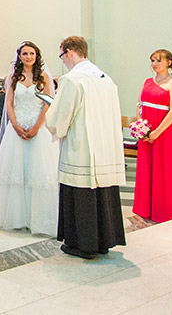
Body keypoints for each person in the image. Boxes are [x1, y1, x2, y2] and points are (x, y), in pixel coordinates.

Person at [45, 38, 125, 260]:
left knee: (81, 193)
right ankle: (103, 241)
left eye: (62, 57)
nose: (64, 62)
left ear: (69, 53)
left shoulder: (73, 80)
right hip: (105, 147)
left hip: (81, 149)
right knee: (102, 193)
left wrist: (51, 116)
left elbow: (59, 119)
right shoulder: (106, 79)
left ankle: (83, 245)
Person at [0, 42, 58, 236]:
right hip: (17, 128)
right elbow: (9, 104)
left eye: (32, 53)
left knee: (39, 172)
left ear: (37, 56)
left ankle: (38, 217)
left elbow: (48, 104)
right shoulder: (13, 77)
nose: (28, 57)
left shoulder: (43, 77)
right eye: (25, 53)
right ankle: (16, 216)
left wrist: (37, 126)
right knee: (15, 171)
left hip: (38, 127)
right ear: (19, 56)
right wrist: (16, 126)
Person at [132, 49, 172, 223]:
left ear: (169, 63)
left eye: (158, 60)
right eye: (152, 60)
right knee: (147, 167)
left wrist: (157, 132)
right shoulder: (146, 81)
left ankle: (165, 208)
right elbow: (140, 104)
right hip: (147, 131)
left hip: (165, 132)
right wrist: (141, 125)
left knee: (164, 169)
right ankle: (145, 207)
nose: (154, 64)